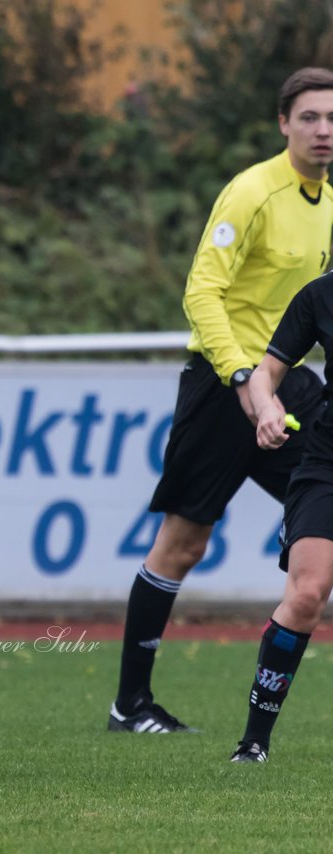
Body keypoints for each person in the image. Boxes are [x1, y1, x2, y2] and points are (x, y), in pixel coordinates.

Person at [109, 67, 333, 734]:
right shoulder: (252, 193)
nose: (324, 130)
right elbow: (202, 293)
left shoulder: (327, 199)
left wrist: (274, 382)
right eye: (310, 118)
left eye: (332, 119)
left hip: (289, 383)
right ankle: (131, 705)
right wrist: (243, 380)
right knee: (183, 542)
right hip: (222, 382)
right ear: (282, 124)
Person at [231, 264, 333, 762]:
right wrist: (267, 406)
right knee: (307, 593)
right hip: (328, 463)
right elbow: (266, 372)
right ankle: (254, 742)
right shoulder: (320, 295)